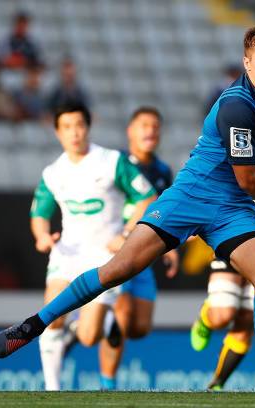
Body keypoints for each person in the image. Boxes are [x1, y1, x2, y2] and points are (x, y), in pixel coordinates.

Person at [0, 23, 255, 398]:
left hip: (232, 209)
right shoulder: (237, 104)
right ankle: (34, 325)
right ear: (246, 63)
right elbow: (248, 178)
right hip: (191, 197)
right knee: (118, 269)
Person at [29, 102, 157, 390]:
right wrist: (42, 237)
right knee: (50, 313)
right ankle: (52, 390)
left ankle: (107, 321)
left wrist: (126, 233)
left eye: (79, 125)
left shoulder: (111, 161)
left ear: (87, 127)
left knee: (88, 337)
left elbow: (147, 197)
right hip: (67, 254)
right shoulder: (53, 172)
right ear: (57, 132)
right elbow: (39, 213)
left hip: (105, 256)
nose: (74, 133)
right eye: (67, 127)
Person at [190, 142, 255, 391]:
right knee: (222, 315)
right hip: (234, 235)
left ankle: (217, 383)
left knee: (247, 320)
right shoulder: (242, 140)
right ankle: (206, 317)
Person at [98, 106, 177, 390]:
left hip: (142, 256)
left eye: (155, 125)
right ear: (130, 130)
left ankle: (90, 324)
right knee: (122, 314)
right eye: (144, 124)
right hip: (114, 251)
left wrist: (171, 250)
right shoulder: (115, 164)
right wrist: (116, 234)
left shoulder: (162, 171)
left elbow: (166, 214)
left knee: (140, 328)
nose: (150, 130)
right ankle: (107, 387)